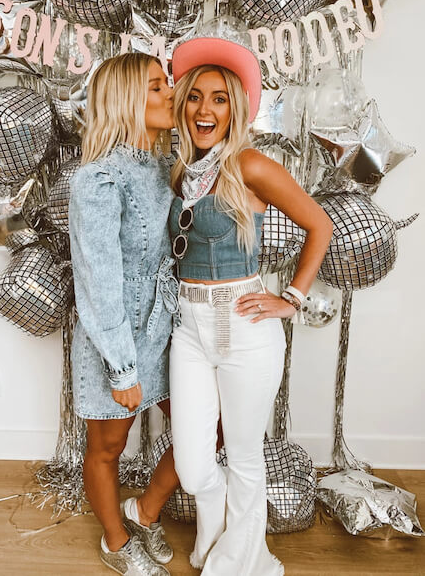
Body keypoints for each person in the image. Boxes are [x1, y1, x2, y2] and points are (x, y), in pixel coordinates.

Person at [168, 34, 333, 575]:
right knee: (194, 470)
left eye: (218, 98)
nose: (204, 109)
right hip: (188, 328)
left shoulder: (251, 165)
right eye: (195, 97)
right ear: (183, 103)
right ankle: (215, 522)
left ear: (234, 108)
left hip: (243, 324)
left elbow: (320, 225)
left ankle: (239, 564)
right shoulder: (178, 173)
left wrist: (292, 299)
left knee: (243, 456)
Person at [68, 53, 180, 576]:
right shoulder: (99, 178)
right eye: (157, 87)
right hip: (117, 332)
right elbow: (99, 281)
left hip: (167, 324)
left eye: (167, 84)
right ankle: (116, 542)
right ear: (128, 98)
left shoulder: (164, 165)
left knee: (204, 430)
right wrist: (122, 366)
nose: (171, 94)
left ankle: (147, 510)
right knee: (109, 444)